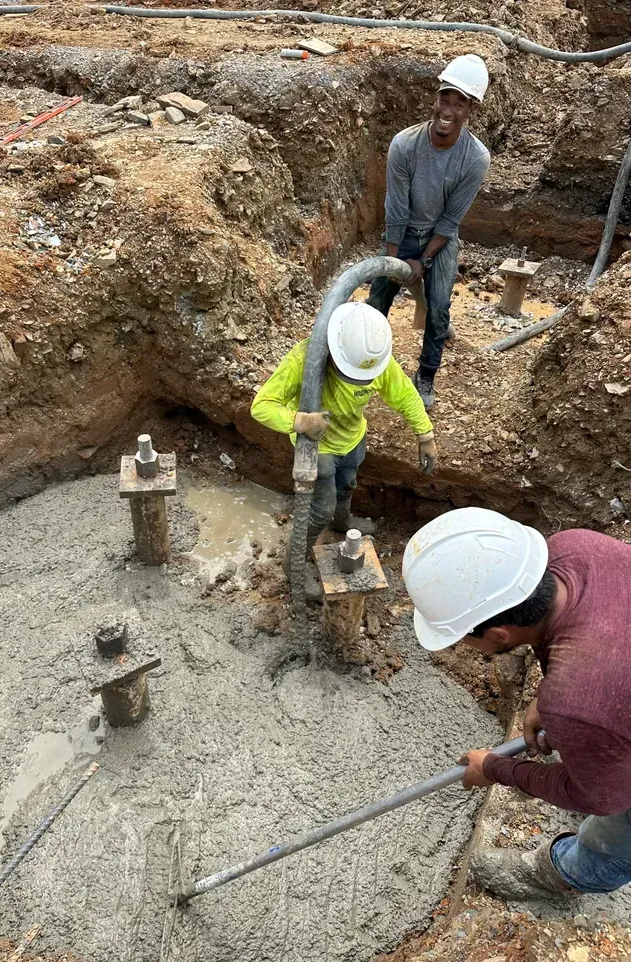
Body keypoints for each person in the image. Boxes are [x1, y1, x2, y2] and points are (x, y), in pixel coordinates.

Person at [402, 507, 631, 900]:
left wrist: (496, 768)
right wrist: (552, 695)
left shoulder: (578, 701)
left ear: (497, 636)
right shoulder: (577, 548)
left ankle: (565, 874)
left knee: (617, 832)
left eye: (460, 637)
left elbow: (603, 798)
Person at [251, 301, 436, 599]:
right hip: (318, 446)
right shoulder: (305, 360)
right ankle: (293, 566)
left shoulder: (372, 360)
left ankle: (342, 521)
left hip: (352, 438)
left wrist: (425, 434)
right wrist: (297, 421)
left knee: (348, 483)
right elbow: (261, 406)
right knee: (319, 510)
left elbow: (405, 396)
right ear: (335, 350)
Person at [368, 54, 491, 410]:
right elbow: (396, 210)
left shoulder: (475, 159)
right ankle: (363, 364)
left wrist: (424, 259)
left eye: (460, 103)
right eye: (444, 99)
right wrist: (394, 263)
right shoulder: (404, 145)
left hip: (440, 238)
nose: (448, 110)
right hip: (402, 232)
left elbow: (450, 221)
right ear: (434, 100)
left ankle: (426, 375)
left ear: (470, 110)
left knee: (438, 309)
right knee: (377, 301)